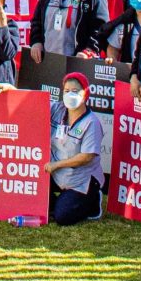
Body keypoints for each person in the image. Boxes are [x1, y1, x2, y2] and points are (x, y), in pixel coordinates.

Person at [46, 71, 106, 225]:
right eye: (66, 91)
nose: (70, 95)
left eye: (75, 91)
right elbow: (32, 101)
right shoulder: (57, 109)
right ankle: (61, 200)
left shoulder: (91, 123)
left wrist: (56, 165)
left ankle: (92, 202)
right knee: (34, 198)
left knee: (63, 217)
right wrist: (11, 89)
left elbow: (86, 157)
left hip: (81, 179)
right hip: (56, 173)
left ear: (85, 94)